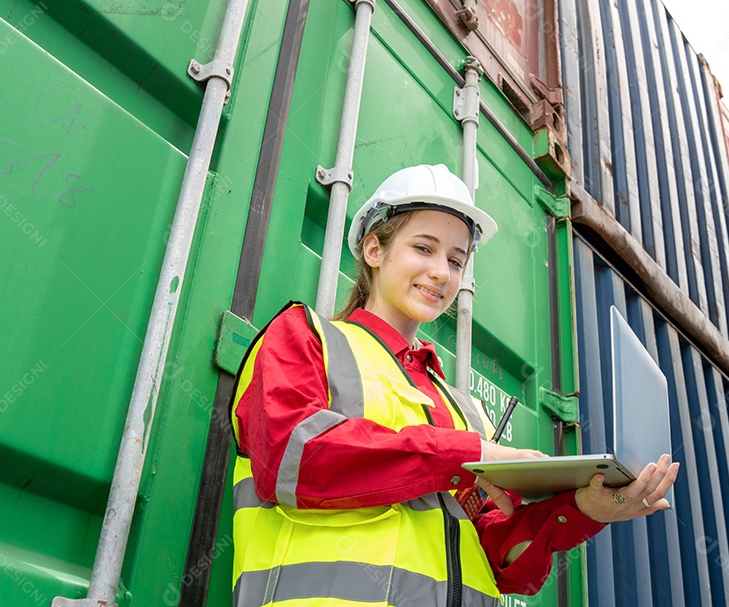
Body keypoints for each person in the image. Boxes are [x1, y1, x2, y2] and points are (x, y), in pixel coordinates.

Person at [229, 164, 680, 607]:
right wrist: (471, 454)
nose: (442, 272)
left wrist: (581, 511)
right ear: (373, 249)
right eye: (423, 248)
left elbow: (498, 560)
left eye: (455, 260)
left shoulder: (461, 410)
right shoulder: (304, 337)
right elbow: (292, 458)